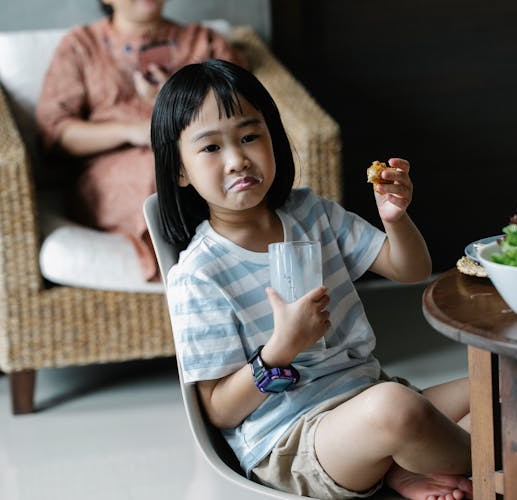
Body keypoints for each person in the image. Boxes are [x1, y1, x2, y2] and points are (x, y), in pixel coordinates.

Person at [152, 58, 473, 500]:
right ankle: (502, 468)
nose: (237, 159)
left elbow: (410, 269)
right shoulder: (198, 275)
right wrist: (281, 348)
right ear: (180, 171)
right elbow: (219, 411)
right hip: (293, 439)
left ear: (273, 139)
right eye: (211, 148)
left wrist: (395, 219)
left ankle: (405, 465)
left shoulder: (311, 213)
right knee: (399, 409)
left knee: (496, 384)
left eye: (249, 136)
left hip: (366, 398)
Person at [35, 0, 245, 281]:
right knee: (153, 174)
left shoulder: (202, 41)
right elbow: (55, 132)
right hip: (112, 168)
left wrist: (170, 101)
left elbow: (241, 111)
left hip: (197, 154)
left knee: (192, 169)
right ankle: (189, 274)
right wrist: (132, 131)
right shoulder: (81, 45)